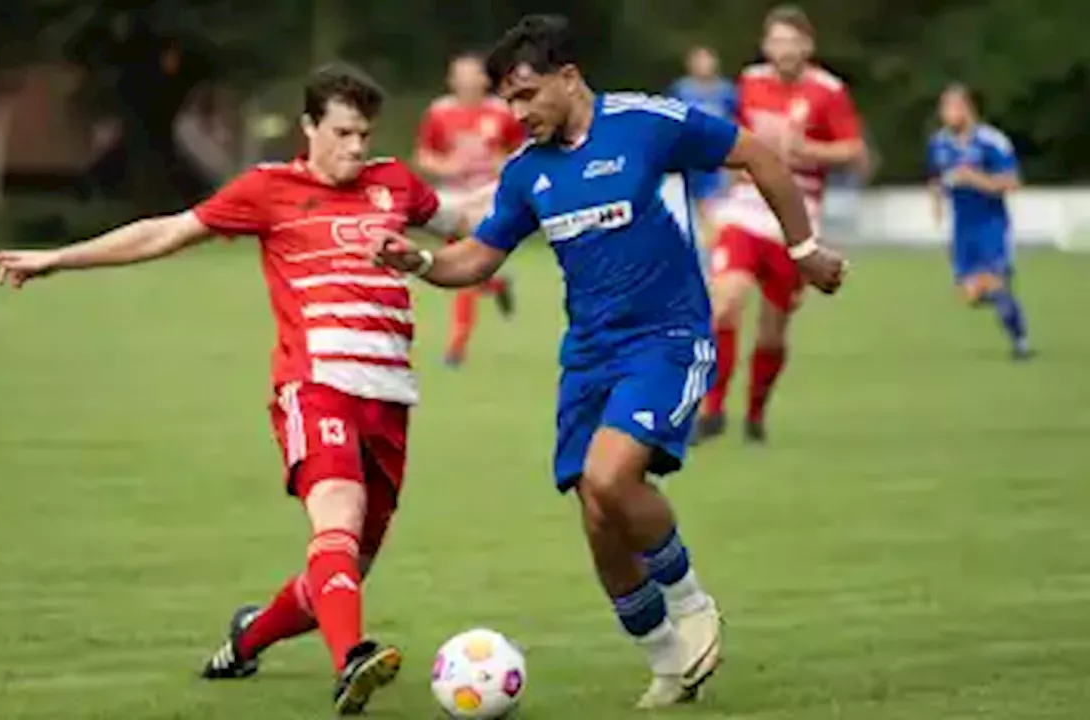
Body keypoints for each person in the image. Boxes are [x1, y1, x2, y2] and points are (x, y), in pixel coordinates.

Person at [368, 14, 847, 709]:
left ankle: (691, 605)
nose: (518, 112)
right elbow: (476, 257)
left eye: (528, 94)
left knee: (610, 474)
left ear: (568, 77)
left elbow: (762, 158)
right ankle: (665, 664)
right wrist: (419, 261)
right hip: (589, 356)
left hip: (669, 338)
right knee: (596, 510)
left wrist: (805, 253)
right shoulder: (528, 173)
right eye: (509, 100)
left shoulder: (648, 124)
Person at [0, 63, 483, 716]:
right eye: (342, 132)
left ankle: (246, 640)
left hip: (389, 400)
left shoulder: (394, 184)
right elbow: (166, 231)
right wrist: (57, 259)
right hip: (316, 386)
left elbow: (466, 219)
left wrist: (546, 179)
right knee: (337, 508)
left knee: (342, 573)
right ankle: (351, 662)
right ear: (309, 127)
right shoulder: (268, 190)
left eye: (364, 134)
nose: (356, 148)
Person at [695, 5, 867, 445]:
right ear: (766, 45)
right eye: (776, 40)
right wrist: (724, 181)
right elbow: (735, 136)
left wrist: (807, 149)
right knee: (723, 301)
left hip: (795, 216)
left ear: (807, 46)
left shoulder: (828, 91)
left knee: (773, 329)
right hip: (746, 208)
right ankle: (713, 412)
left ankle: (755, 414)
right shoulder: (750, 82)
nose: (784, 49)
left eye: (792, 41)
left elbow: (852, 151)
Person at [415, 51, 527, 367]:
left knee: (465, 259)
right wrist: (445, 166)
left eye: (472, 74)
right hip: (452, 196)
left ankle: (456, 346)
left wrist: (501, 164)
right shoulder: (439, 112)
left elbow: (524, 153)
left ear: (483, 79)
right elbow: (424, 156)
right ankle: (495, 283)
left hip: (487, 196)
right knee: (466, 265)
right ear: (451, 80)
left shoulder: (501, 111)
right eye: (460, 75)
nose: (467, 81)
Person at [928, 83, 1031, 359]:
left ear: (967, 109)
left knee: (993, 283)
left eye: (952, 107)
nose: (946, 114)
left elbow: (1012, 182)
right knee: (969, 293)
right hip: (962, 227)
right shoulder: (939, 143)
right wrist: (937, 203)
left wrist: (976, 179)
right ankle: (999, 291)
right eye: (943, 108)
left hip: (990, 224)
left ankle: (1019, 341)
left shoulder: (991, 141)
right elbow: (936, 178)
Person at [667, 45, 738, 245]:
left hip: (716, 160)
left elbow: (735, 121)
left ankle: (717, 249)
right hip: (688, 159)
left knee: (713, 208)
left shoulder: (726, 91)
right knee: (690, 211)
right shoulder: (681, 89)